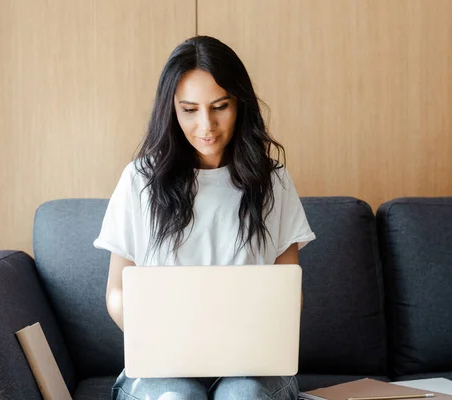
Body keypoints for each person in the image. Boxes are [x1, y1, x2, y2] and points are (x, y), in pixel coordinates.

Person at [94, 35, 316, 400]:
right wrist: (154, 342)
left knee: (242, 397)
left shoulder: (272, 180)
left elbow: (290, 291)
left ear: (240, 104)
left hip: (252, 366)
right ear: (171, 110)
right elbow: (117, 292)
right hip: (162, 366)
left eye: (220, 106)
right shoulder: (139, 181)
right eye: (189, 109)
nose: (206, 126)